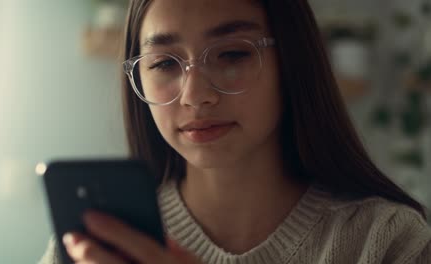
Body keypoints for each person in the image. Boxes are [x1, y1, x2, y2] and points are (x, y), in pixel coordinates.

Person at [39, 0, 431, 263]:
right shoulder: (93, 246)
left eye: (232, 54)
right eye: (164, 63)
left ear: (292, 62)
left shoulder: (387, 241)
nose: (196, 96)